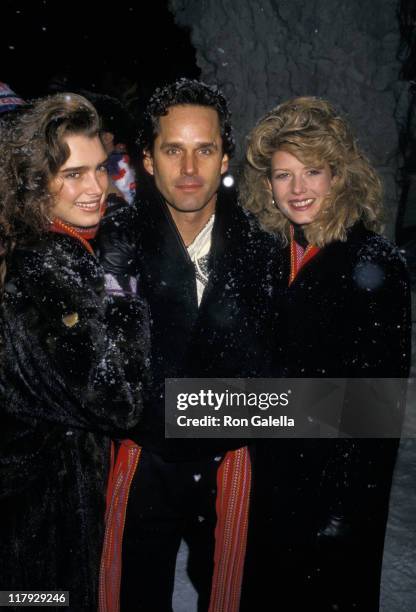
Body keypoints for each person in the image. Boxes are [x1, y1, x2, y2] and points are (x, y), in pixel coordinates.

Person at [98, 78, 278, 611]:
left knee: (230, 598)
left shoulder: (263, 249)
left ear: (225, 155)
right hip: (140, 457)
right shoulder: (113, 241)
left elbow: (277, 368)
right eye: (173, 149)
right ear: (148, 159)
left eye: (204, 149)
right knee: (127, 594)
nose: (190, 169)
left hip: (229, 458)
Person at [241, 96, 411, 611]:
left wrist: (343, 509)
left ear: (338, 175)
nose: (297, 190)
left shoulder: (373, 264)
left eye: (312, 171)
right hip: (270, 482)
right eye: (282, 175)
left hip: (332, 492)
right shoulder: (270, 254)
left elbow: (378, 406)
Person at [0, 93, 147, 610]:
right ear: (35, 183)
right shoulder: (46, 270)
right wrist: (125, 303)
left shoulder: (45, 248)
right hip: (36, 535)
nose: (95, 187)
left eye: (100, 168)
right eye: (73, 174)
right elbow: (120, 403)